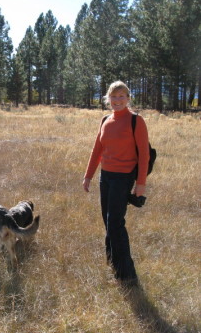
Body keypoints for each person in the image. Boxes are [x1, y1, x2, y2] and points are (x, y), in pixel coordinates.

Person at [82, 80, 150, 285]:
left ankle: (127, 275)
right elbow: (97, 150)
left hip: (124, 176)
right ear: (107, 99)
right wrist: (88, 176)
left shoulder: (136, 121)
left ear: (128, 99)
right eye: (113, 96)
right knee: (108, 221)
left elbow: (145, 154)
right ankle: (112, 262)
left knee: (115, 223)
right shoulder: (105, 120)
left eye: (122, 96)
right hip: (107, 176)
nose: (117, 100)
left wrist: (141, 183)